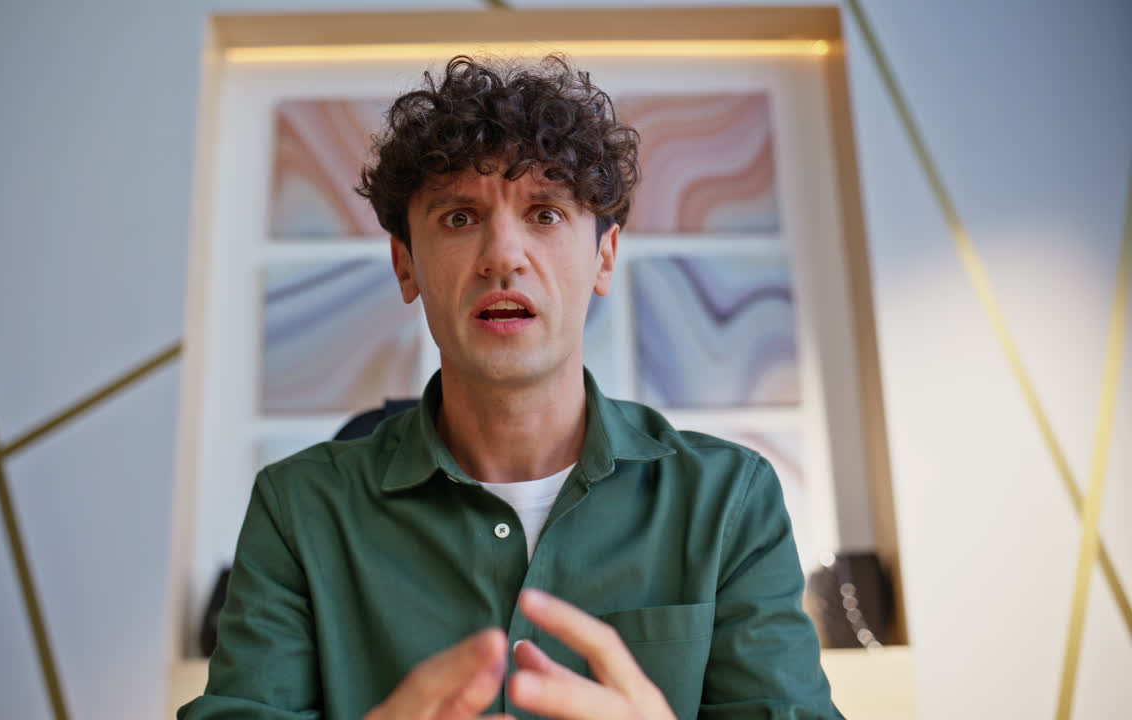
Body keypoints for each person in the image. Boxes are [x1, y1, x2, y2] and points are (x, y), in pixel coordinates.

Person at [179, 55, 843, 720]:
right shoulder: (298, 510)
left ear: (605, 257)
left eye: (545, 214)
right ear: (405, 265)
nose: (503, 255)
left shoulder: (730, 500)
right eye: (459, 218)